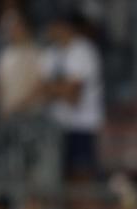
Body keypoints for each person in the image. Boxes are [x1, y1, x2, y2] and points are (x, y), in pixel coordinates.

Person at [39, 12, 104, 180]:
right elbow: (41, 88)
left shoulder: (84, 50)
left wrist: (53, 89)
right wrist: (60, 88)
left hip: (82, 124)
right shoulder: (50, 53)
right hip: (57, 125)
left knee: (81, 175)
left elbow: (74, 95)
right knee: (61, 176)